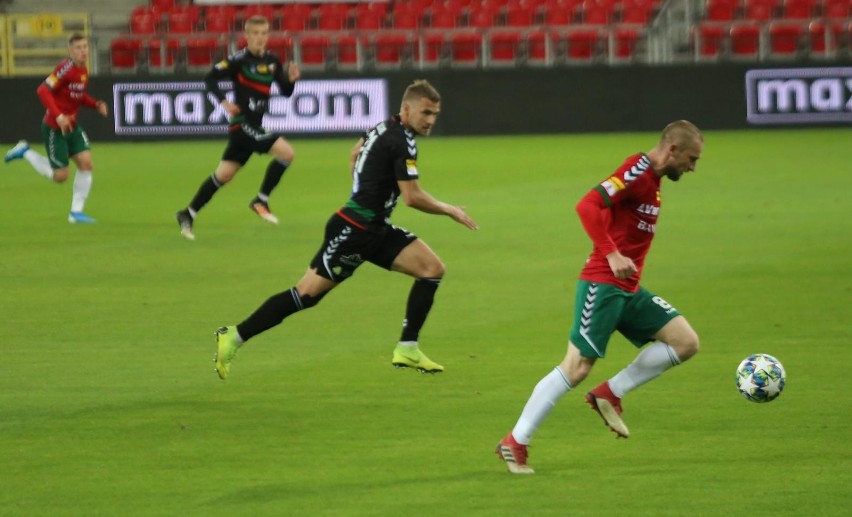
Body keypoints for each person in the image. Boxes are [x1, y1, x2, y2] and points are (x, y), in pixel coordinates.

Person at [212, 79, 478, 380]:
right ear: (406, 109)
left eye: (434, 115)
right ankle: (234, 335)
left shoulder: (385, 127)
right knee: (306, 295)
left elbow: (354, 154)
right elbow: (412, 196)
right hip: (354, 230)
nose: (430, 121)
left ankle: (407, 346)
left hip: (372, 226)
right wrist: (449, 209)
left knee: (432, 268)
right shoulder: (401, 142)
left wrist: (362, 190)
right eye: (425, 113)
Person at [496, 120, 704, 474]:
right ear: (672, 150)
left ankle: (610, 392)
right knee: (576, 367)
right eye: (691, 158)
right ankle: (516, 442)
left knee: (685, 342)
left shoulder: (651, 180)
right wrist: (610, 252)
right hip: (603, 284)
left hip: (628, 289)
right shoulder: (637, 171)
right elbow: (588, 206)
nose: (693, 167)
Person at [176, 15, 301, 240]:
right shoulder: (238, 61)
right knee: (287, 153)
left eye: (263, 34)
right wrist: (224, 102)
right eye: (255, 33)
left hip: (253, 126)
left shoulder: (273, 61)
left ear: (268, 36)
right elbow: (210, 78)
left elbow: (285, 91)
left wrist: (292, 80)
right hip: (241, 125)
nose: (259, 38)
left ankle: (188, 213)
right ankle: (261, 200)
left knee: (223, 175)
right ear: (247, 36)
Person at [4, 33, 109, 224]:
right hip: (55, 128)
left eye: (85, 46)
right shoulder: (65, 69)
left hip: (72, 126)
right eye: (78, 47)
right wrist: (59, 116)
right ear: (70, 51)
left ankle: (76, 213)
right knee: (60, 176)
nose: (83, 51)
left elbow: (78, 96)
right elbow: (42, 90)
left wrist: (95, 104)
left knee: (86, 164)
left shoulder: (83, 70)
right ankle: (25, 152)